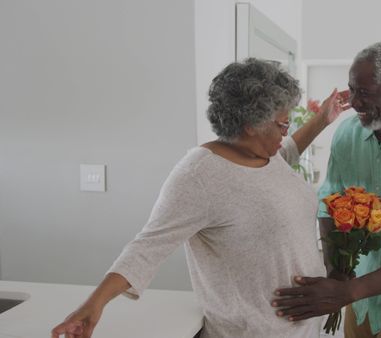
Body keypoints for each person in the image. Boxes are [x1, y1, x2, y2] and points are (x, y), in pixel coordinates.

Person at [51, 58, 350, 338]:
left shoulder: (266, 155)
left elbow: (285, 156)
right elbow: (147, 247)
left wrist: (323, 119)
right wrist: (94, 304)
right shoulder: (199, 177)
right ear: (252, 124)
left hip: (304, 329)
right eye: (282, 125)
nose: (285, 133)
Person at [271, 42, 381, 338]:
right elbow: (328, 201)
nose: (354, 102)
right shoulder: (347, 133)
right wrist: (335, 271)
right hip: (358, 290)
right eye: (351, 89)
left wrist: (346, 292)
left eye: (364, 92)